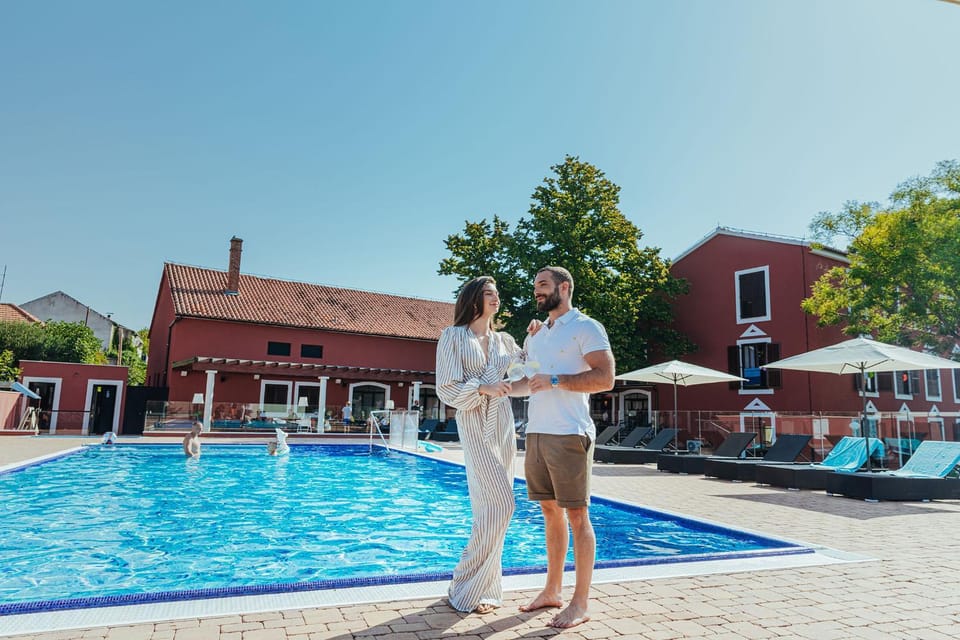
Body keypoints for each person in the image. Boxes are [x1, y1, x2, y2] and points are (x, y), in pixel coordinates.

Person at [519, 266, 615, 629]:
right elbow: (525, 379)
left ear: (564, 287)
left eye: (543, 285)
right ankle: (552, 591)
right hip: (537, 432)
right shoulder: (537, 334)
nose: (537, 292)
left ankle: (580, 602)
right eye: (535, 287)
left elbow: (605, 378)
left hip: (570, 433)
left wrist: (557, 379)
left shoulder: (586, 327)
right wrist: (487, 391)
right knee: (548, 510)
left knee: (577, 515)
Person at [436, 275, 526, 615]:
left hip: (502, 424)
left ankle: (484, 588)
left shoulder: (506, 340)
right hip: (474, 421)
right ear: (474, 299)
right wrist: (481, 388)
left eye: (497, 293)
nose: (496, 298)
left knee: (490, 511)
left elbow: (526, 372)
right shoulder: (454, 336)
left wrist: (535, 341)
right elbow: (446, 387)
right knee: (502, 505)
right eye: (490, 293)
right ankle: (464, 581)